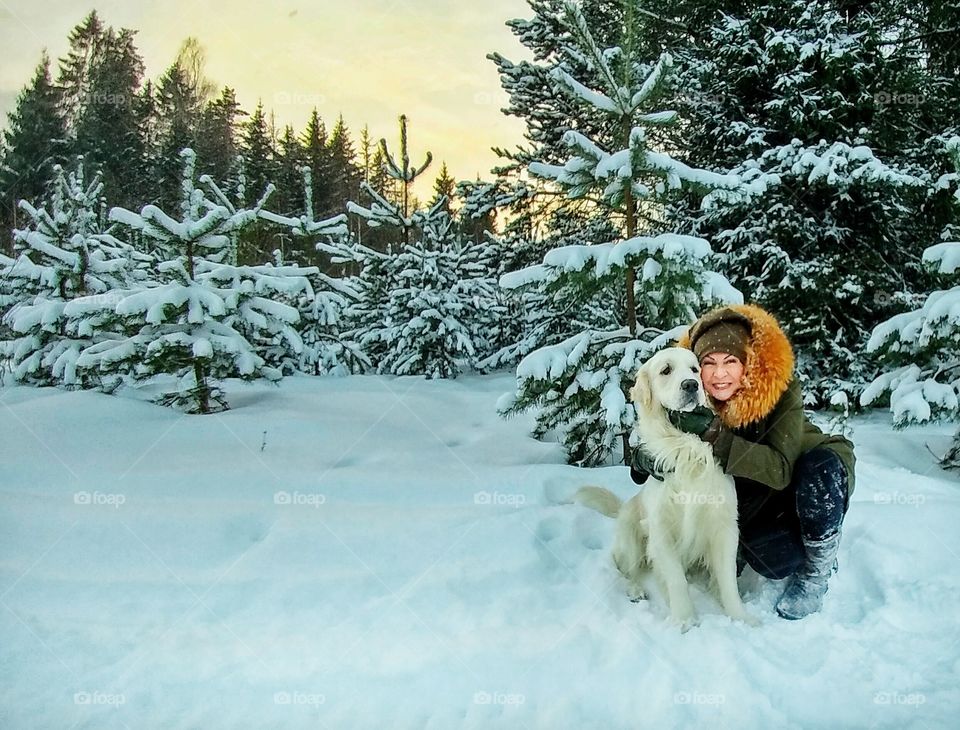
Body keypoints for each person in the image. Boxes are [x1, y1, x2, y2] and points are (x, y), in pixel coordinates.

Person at [630, 304, 856, 620]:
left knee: (818, 472)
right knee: (773, 561)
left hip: (800, 468)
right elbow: (659, 434)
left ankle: (818, 569)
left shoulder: (779, 390)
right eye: (708, 363)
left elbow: (779, 469)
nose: (719, 373)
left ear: (746, 363)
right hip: (759, 487)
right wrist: (645, 458)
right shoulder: (699, 396)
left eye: (730, 362)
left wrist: (714, 436)